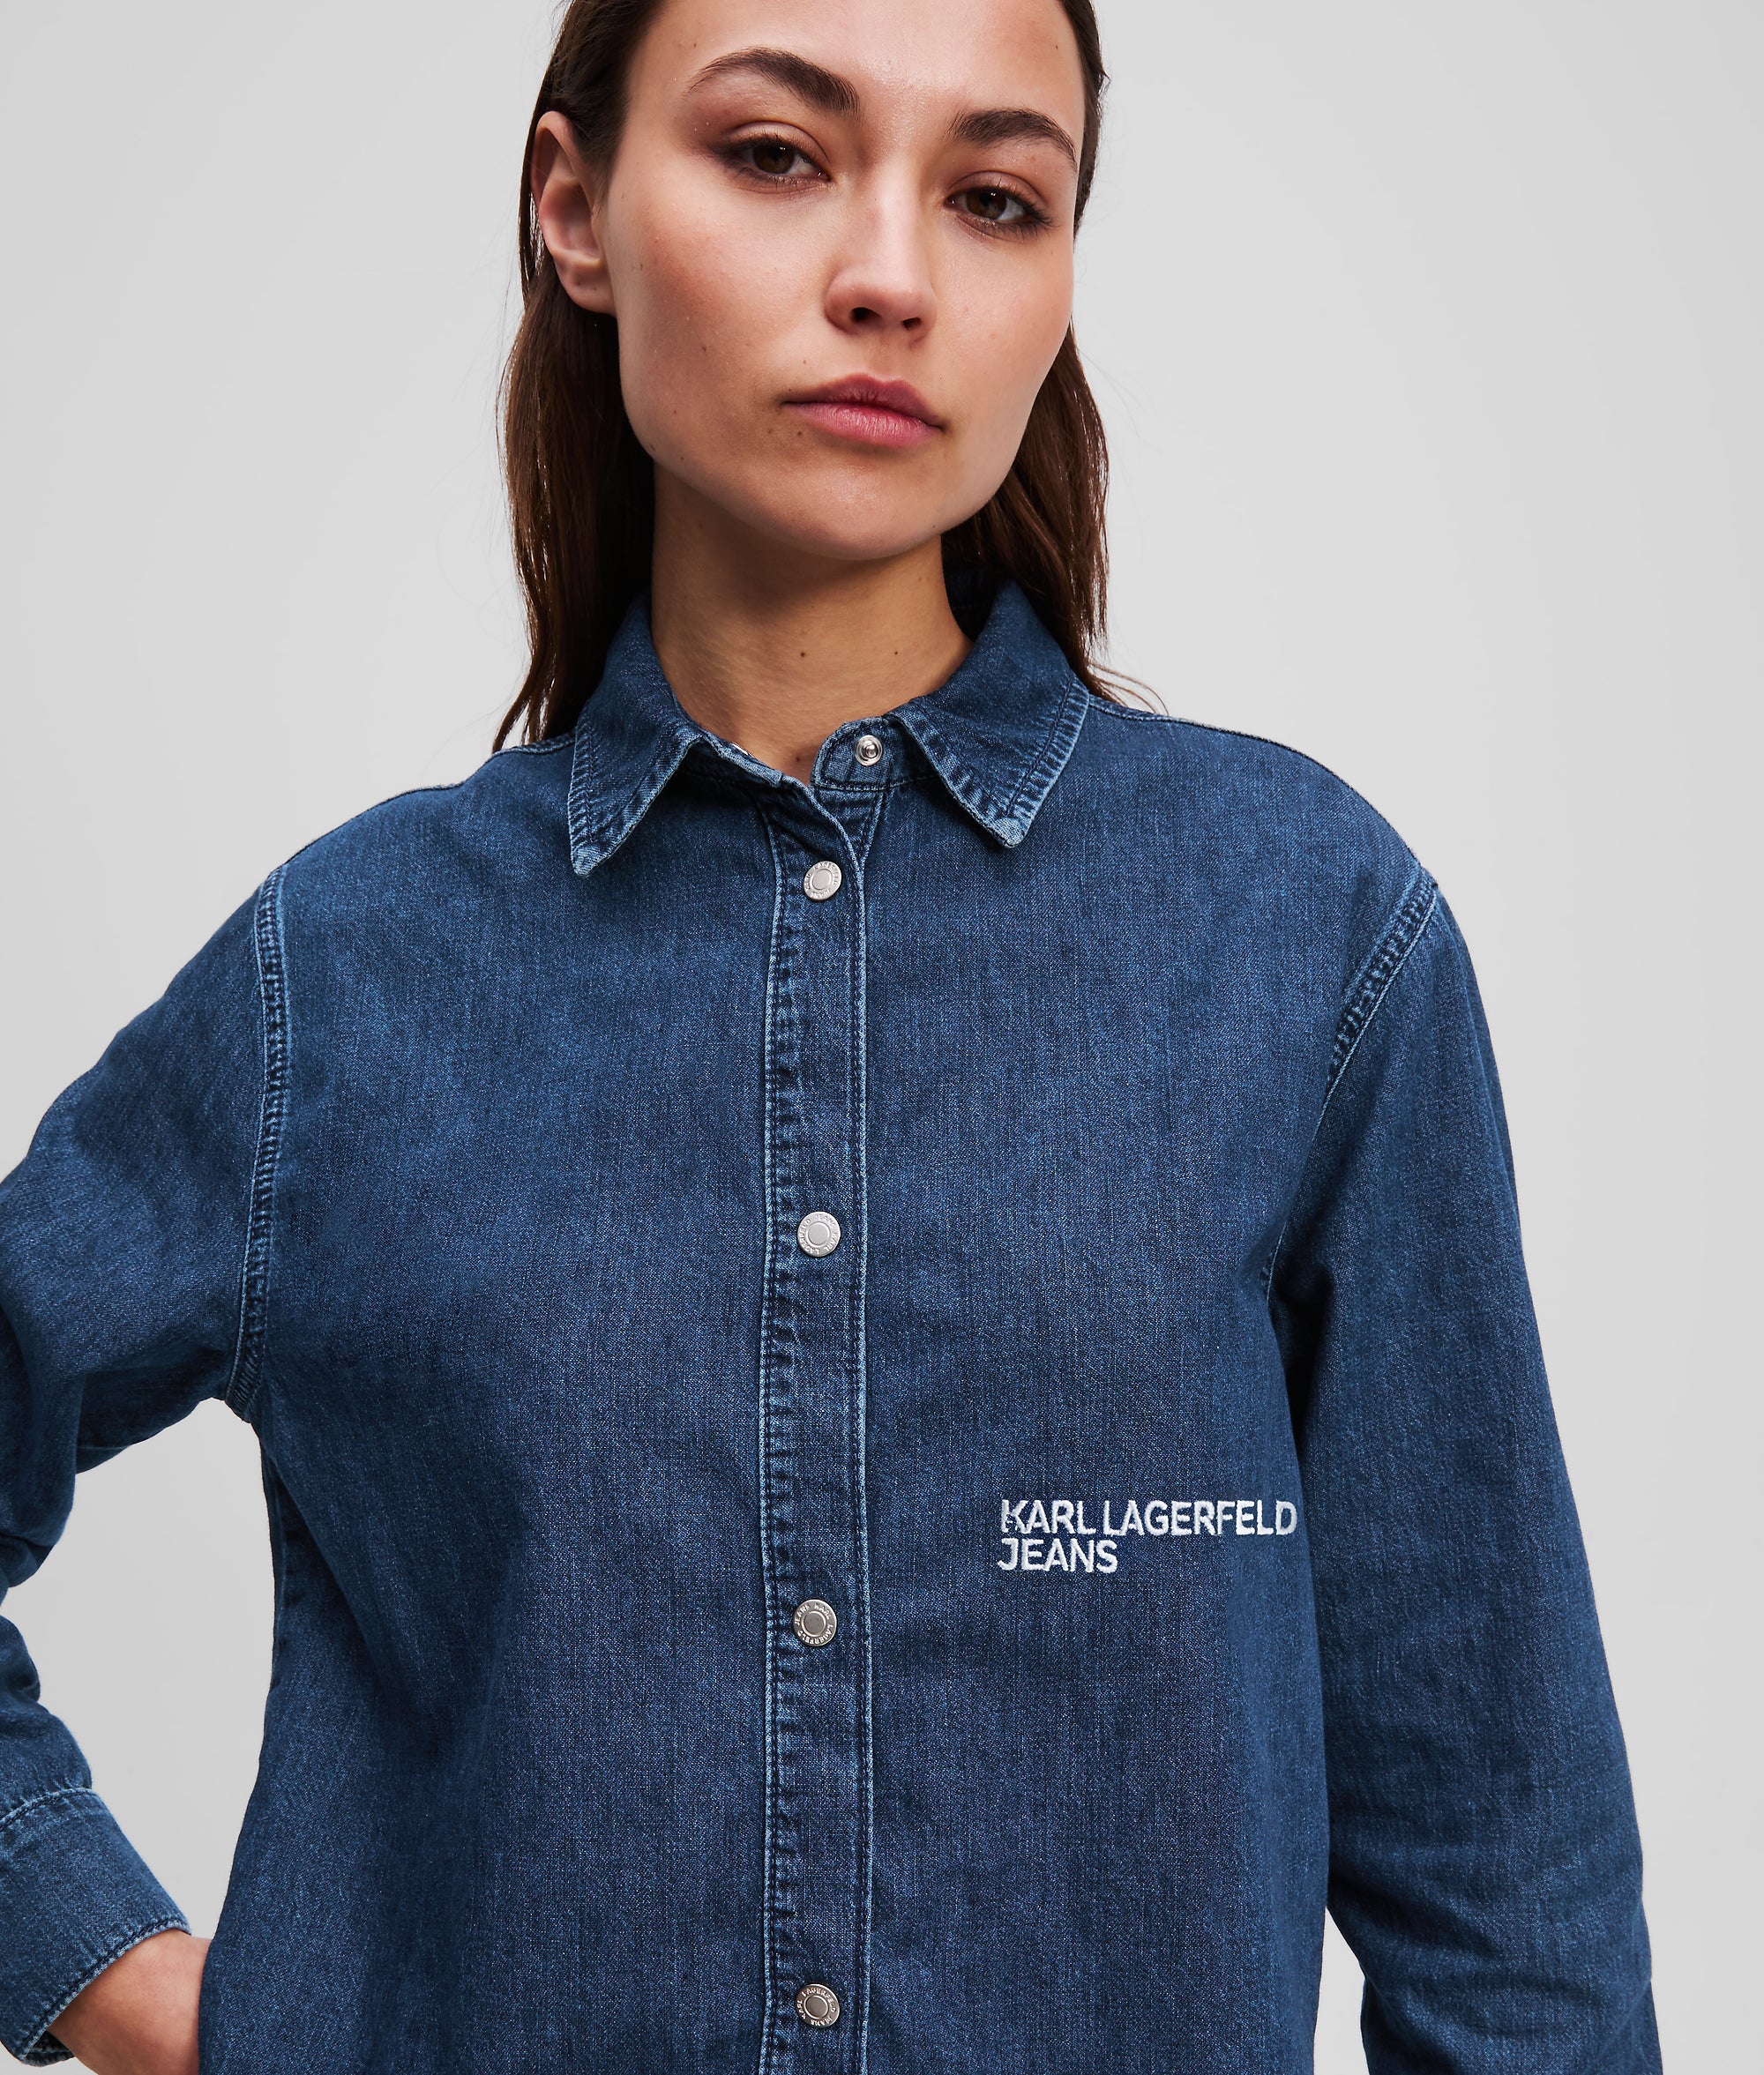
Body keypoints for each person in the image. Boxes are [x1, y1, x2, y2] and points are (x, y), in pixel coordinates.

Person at [0, 0, 1662, 2069]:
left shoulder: (1299, 927)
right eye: (777, 154)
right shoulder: (341, 979)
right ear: (575, 208)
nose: (891, 276)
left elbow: (1501, 1862)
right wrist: (135, 1984)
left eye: (996, 197)